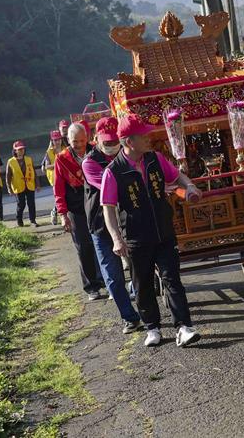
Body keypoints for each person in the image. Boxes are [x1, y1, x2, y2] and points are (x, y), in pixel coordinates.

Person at [101, 114, 203, 348]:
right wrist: (117, 239)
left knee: (172, 279)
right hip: (136, 237)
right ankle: (152, 327)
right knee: (143, 284)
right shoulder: (113, 172)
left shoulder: (155, 159)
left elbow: (177, 176)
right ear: (129, 141)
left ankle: (184, 327)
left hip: (164, 232)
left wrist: (190, 186)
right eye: (143, 135)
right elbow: (108, 209)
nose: (149, 138)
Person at [82, 117, 142, 333]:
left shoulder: (128, 154)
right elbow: (111, 185)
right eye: (106, 142)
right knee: (112, 275)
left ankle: (145, 308)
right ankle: (129, 317)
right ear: (95, 139)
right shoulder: (89, 163)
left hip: (129, 221)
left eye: (114, 141)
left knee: (139, 268)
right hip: (101, 225)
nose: (110, 146)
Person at [55, 122, 105, 301]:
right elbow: (58, 188)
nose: (80, 145)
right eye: (75, 141)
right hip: (75, 206)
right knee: (83, 246)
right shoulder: (61, 158)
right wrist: (63, 214)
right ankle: (91, 286)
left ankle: (107, 280)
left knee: (103, 241)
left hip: (96, 201)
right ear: (68, 140)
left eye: (82, 140)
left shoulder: (96, 151)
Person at [6, 140, 37, 227]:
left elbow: (34, 172)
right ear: (15, 151)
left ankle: (33, 221)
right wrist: (9, 188)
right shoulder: (10, 162)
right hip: (18, 186)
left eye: (22, 149)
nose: (21, 151)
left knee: (31, 204)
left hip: (29, 185)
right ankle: (19, 220)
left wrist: (37, 184)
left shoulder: (29, 159)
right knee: (21, 204)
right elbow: (8, 176)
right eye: (19, 149)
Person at [43, 130, 65, 225]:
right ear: (52, 141)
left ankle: (64, 215)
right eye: (55, 140)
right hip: (55, 179)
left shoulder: (66, 149)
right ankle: (54, 212)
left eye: (58, 139)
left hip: (66, 176)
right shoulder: (49, 152)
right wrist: (58, 163)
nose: (57, 142)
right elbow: (47, 166)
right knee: (59, 197)